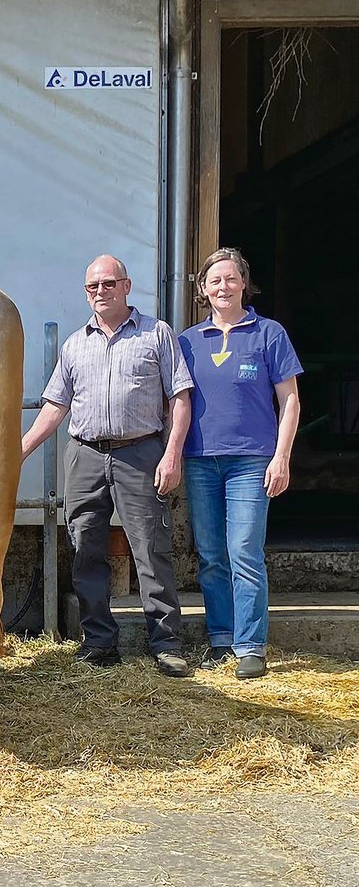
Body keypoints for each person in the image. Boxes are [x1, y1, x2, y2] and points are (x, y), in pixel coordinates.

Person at [22, 255, 195, 677]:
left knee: (150, 549)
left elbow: (180, 399)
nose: (100, 291)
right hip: (85, 454)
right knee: (84, 548)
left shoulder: (157, 334)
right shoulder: (75, 344)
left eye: (108, 283)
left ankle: (166, 644)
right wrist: (20, 449)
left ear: (126, 286)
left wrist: (172, 454)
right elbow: (56, 405)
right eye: (92, 286)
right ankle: (99, 641)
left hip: (141, 452)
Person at [178, 248, 301, 680]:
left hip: (252, 461)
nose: (223, 287)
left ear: (244, 284)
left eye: (231, 279)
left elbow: (289, 401)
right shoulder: (188, 341)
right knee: (211, 554)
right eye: (214, 281)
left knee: (244, 550)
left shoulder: (269, 333)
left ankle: (251, 646)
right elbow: (178, 404)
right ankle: (221, 639)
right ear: (203, 289)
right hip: (200, 460)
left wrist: (281, 456)